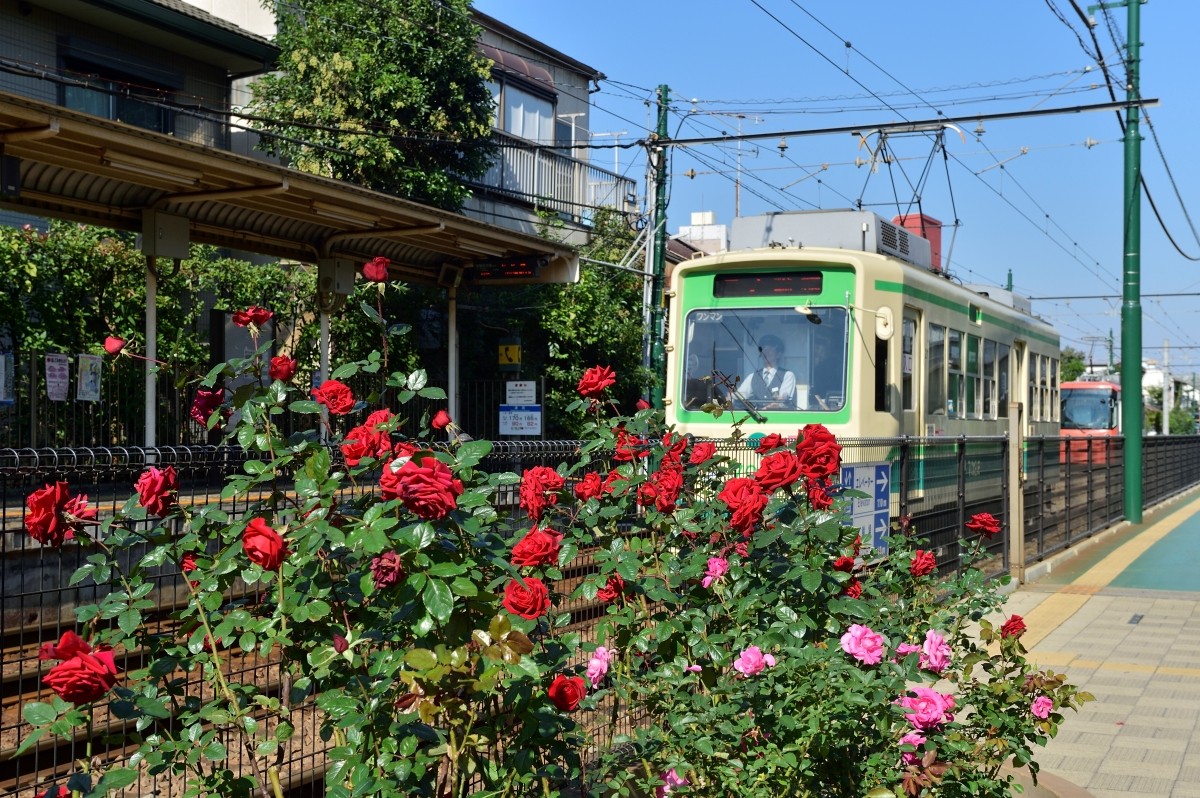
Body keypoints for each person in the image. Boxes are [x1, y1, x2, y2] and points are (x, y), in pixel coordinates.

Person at [736, 335, 795, 409]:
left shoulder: (788, 375)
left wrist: (771, 406)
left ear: (778, 354)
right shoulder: (753, 376)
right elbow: (740, 396)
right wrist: (732, 396)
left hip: (778, 418)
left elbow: (783, 400)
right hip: (757, 418)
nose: (766, 352)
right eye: (764, 349)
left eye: (770, 349)